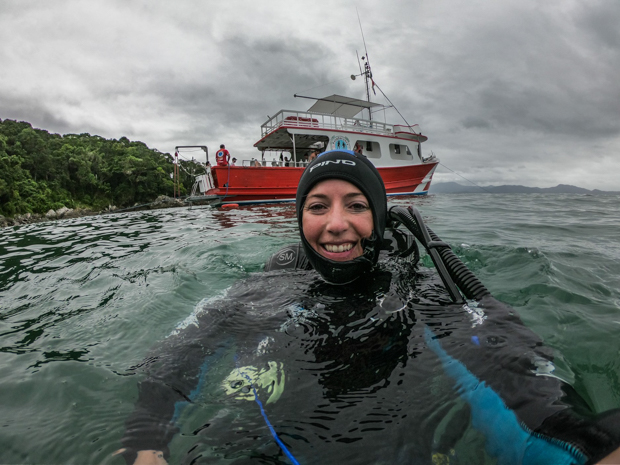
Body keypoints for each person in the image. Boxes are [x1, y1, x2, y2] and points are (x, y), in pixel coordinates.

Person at [119, 150, 620, 465]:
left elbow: (502, 357)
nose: (336, 224)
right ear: (301, 219)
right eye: (318, 207)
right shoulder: (269, 281)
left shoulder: (418, 286)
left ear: (380, 217)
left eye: (356, 205)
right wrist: (146, 444)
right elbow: (180, 353)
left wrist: (582, 440)